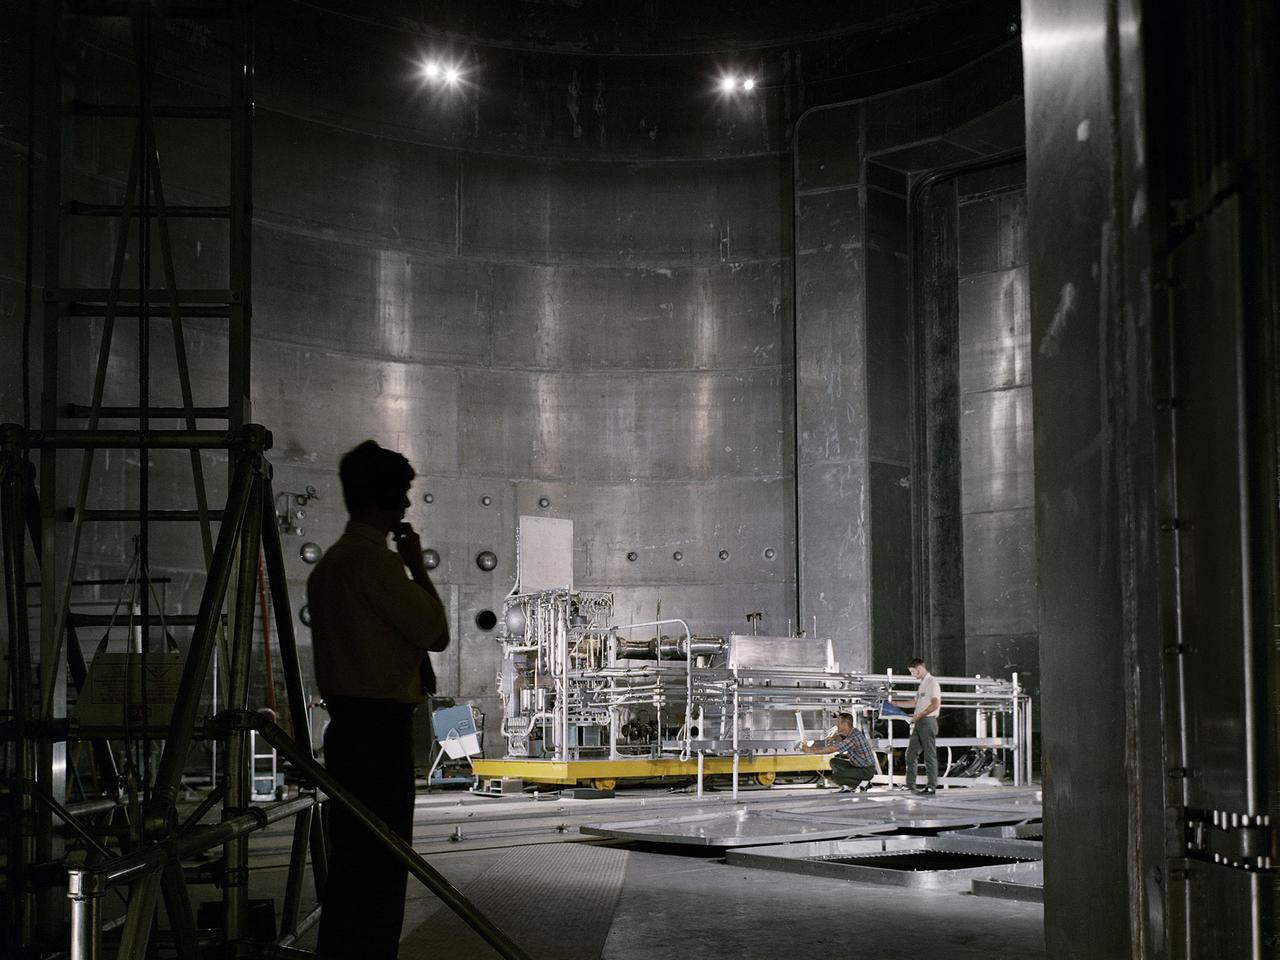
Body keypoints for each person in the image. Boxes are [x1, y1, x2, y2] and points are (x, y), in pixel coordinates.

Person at [307, 440, 450, 960]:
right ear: (384, 497)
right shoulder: (377, 566)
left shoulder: (329, 568)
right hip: (379, 733)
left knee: (352, 869)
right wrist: (416, 566)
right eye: (405, 495)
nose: (409, 506)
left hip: (348, 729)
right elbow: (435, 630)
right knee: (383, 868)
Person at [894, 657, 942, 795]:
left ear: (920, 669)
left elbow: (935, 704)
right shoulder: (922, 684)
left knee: (929, 755)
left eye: (913, 672)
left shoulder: (932, 682)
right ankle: (910, 785)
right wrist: (896, 704)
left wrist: (919, 716)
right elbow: (915, 703)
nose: (912, 675)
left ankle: (932, 786)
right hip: (920, 721)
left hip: (927, 721)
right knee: (911, 753)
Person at [800, 712, 878, 791]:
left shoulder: (853, 738)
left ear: (844, 724)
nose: (837, 725)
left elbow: (830, 750)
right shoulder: (853, 731)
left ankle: (862, 784)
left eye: (838, 722)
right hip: (857, 766)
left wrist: (810, 750)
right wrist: (834, 737)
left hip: (866, 770)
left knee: (835, 778)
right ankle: (852, 783)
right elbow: (843, 736)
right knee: (834, 762)